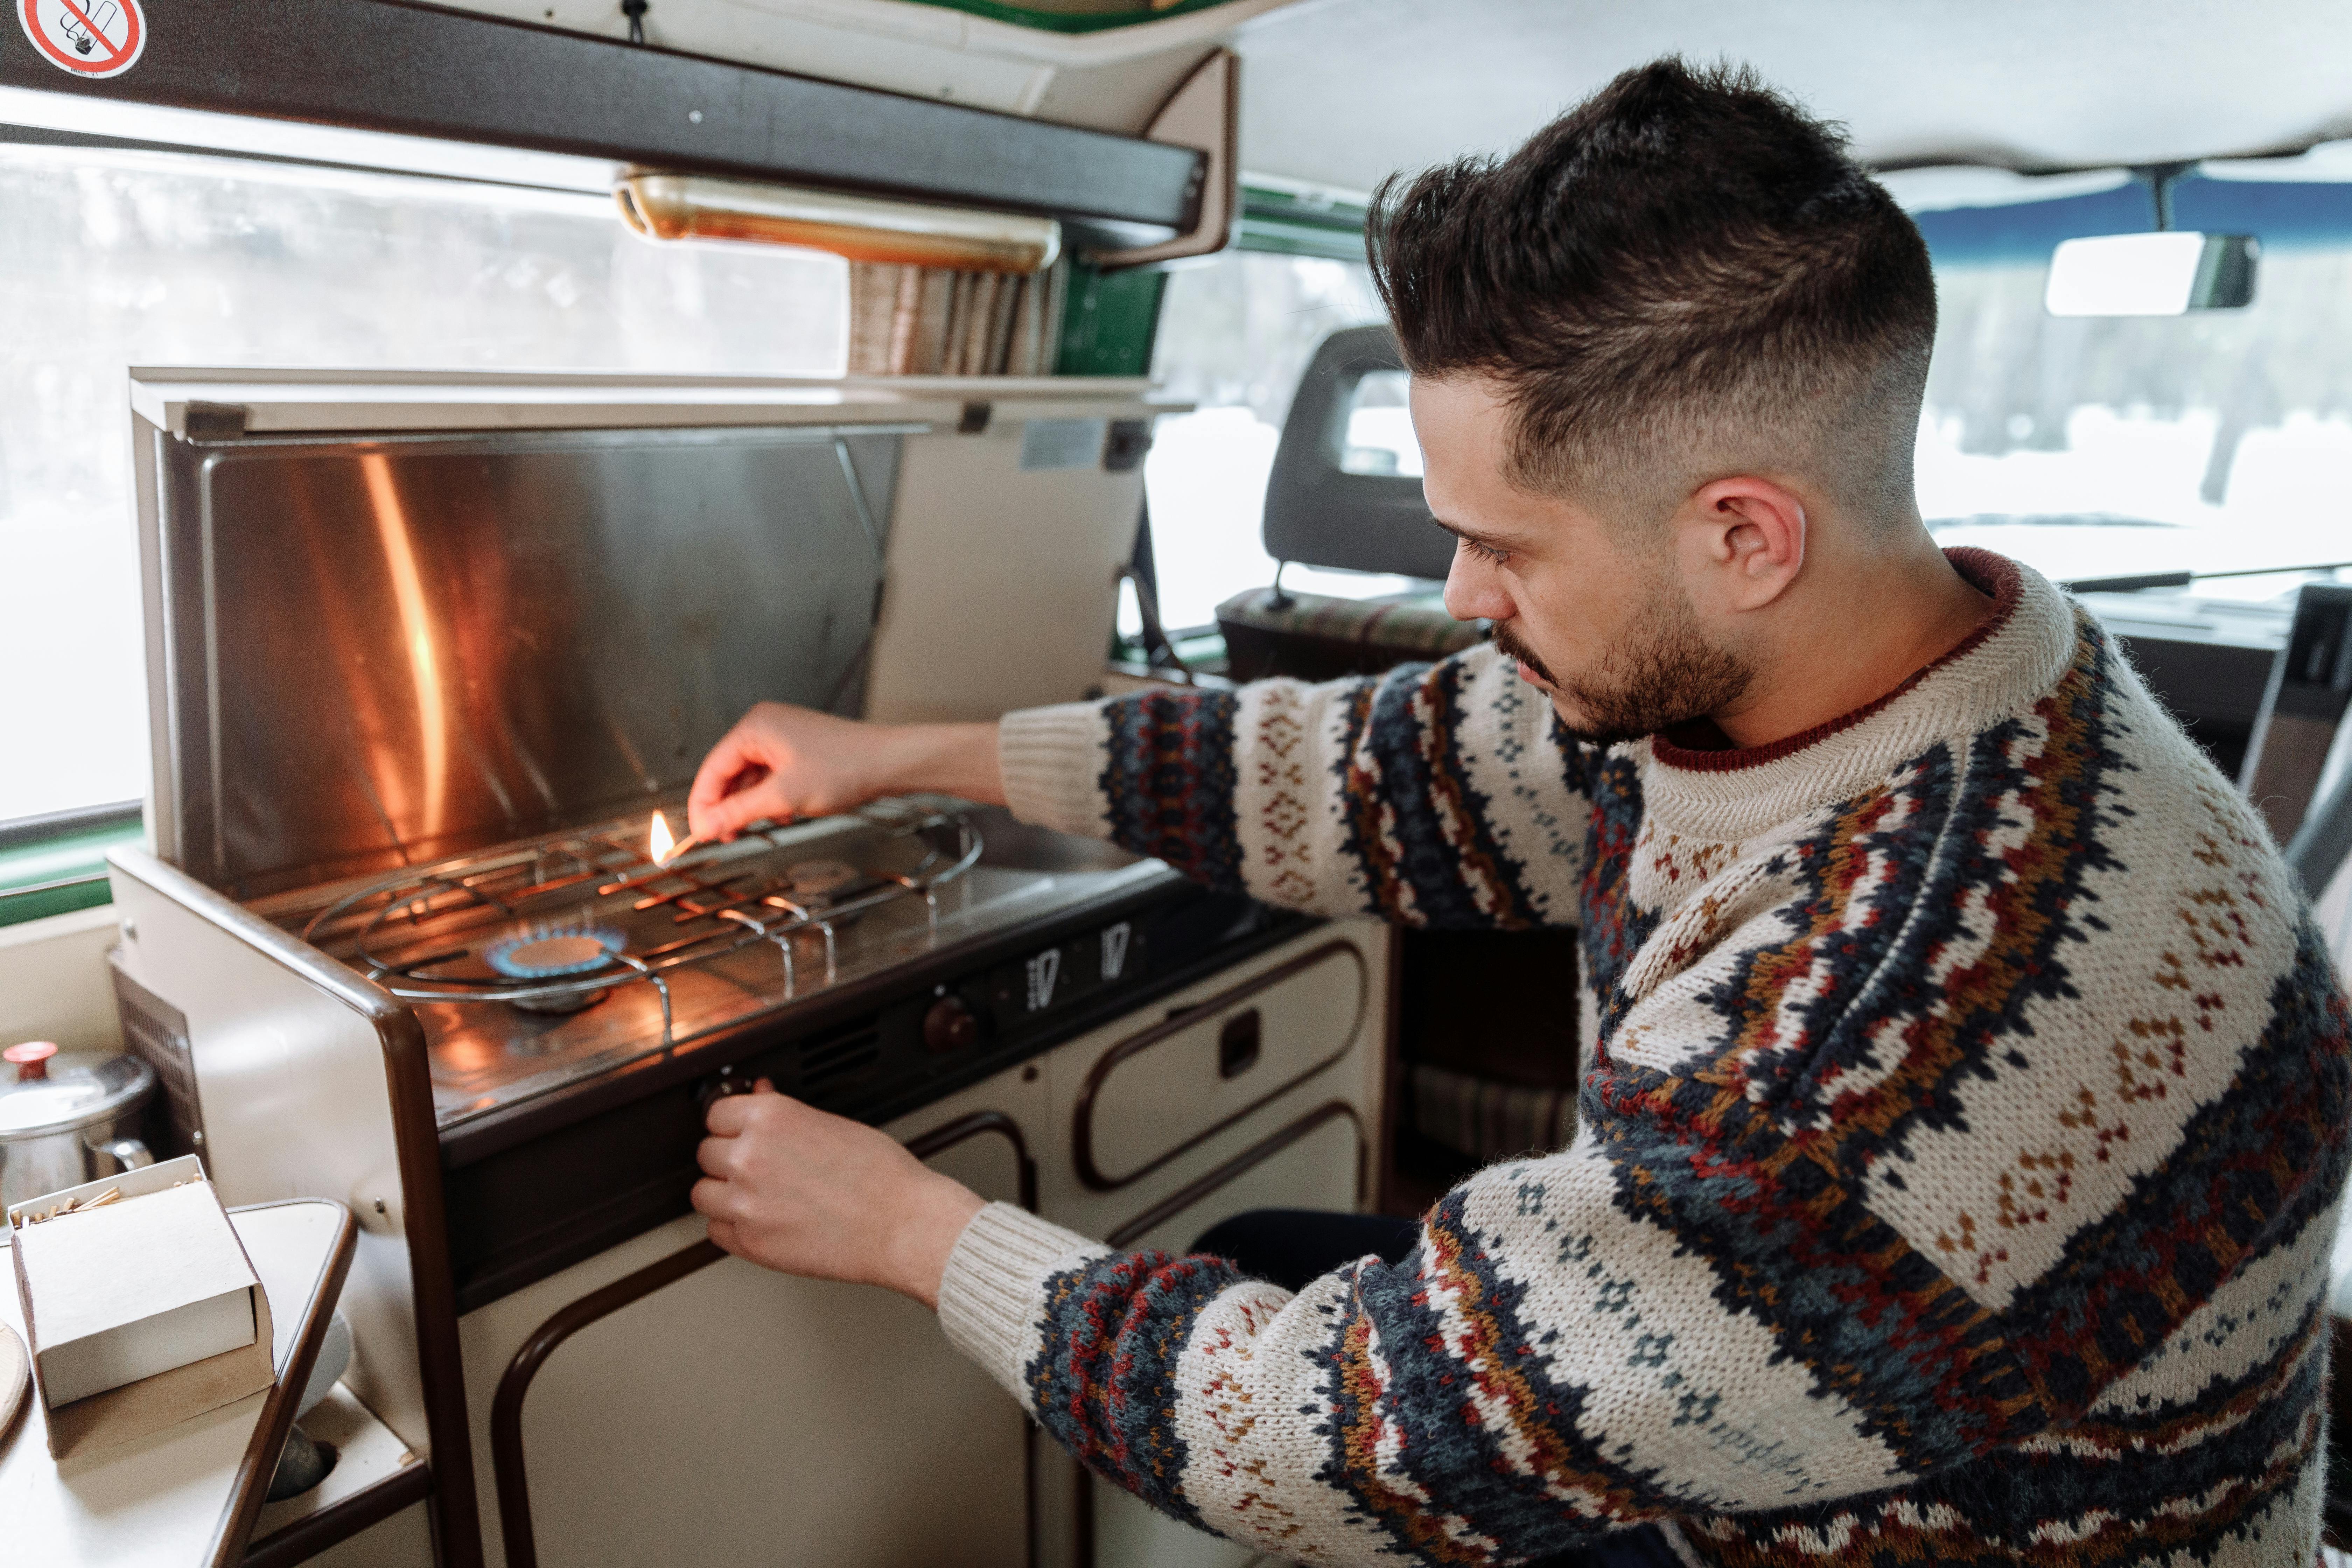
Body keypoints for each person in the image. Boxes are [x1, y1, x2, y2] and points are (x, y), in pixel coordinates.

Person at [684, 58, 2350, 1567]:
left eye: (1508, 546)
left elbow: (1326, 1440)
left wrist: (910, 1227)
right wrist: (897, 752)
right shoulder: (1866, 658)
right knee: (1264, 1245)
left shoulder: (1876, 1054)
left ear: (1745, 536)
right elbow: (1380, 771)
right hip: (1828, 1428)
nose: (1464, 593)